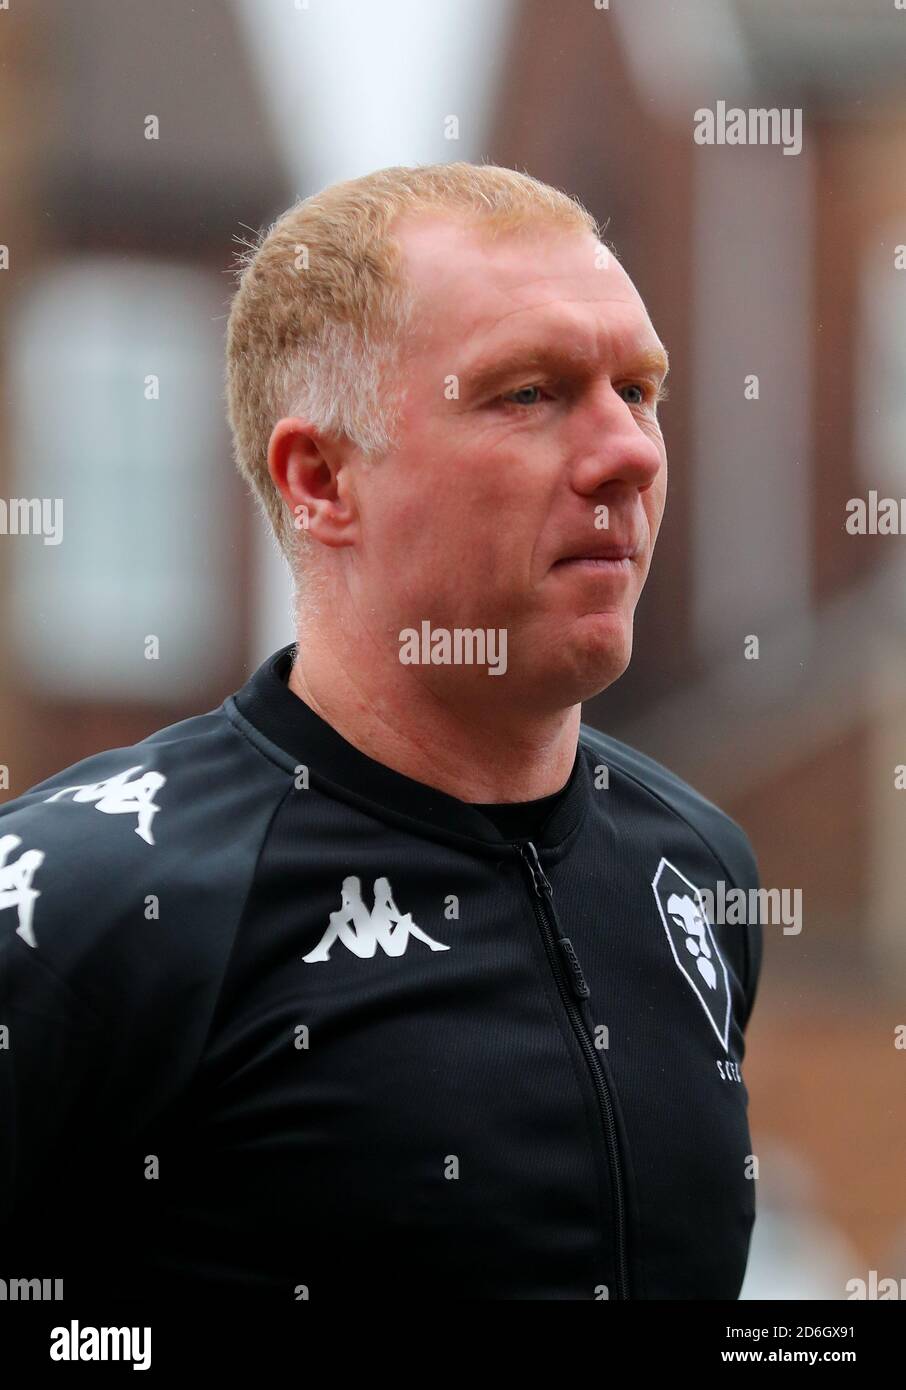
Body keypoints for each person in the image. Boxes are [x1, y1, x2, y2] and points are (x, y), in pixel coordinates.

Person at [0, 162, 762, 1301]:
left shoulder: (694, 868)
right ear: (320, 479)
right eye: (531, 393)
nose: (631, 455)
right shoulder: (80, 902)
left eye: (639, 391)